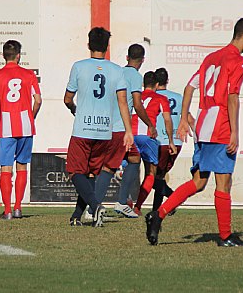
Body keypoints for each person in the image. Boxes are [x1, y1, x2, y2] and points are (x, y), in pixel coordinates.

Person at [145, 16, 243, 247]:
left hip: (203, 125)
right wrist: (235, 132)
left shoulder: (212, 58)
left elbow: (190, 86)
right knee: (224, 182)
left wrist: (184, 118)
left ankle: (158, 215)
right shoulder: (239, 62)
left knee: (199, 181)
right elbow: (232, 97)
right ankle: (225, 236)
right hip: (219, 126)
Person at [64, 27, 134, 227]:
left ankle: (95, 206)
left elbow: (67, 98)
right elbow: (122, 101)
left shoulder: (79, 66)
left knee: (75, 171)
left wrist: (73, 107)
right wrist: (128, 131)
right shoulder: (116, 70)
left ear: (88, 45)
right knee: (91, 173)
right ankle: (76, 217)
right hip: (105, 131)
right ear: (107, 47)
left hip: (83, 129)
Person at [86, 43, 156, 220]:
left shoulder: (115, 71)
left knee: (125, 160)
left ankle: (99, 206)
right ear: (142, 60)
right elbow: (137, 104)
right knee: (113, 166)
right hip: (119, 128)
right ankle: (112, 204)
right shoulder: (135, 76)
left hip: (105, 125)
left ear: (127, 57)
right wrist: (150, 124)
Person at [0, 40, 42, 220]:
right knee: (22, 166)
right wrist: (31, 117)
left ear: (3, 56)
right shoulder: (29, 74)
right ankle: (18, 208)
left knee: (6, 168)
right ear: (19, 55)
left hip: (7, 127)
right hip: (25, 125)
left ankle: (7, 210)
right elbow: (38, 100)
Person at [131, 71, 176, 214]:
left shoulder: (134, 97)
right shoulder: (161, 98)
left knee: (128, 167)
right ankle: (137, 207)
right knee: (151, 173)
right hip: (147, 137)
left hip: (131, 135)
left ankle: (124, 199)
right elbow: (167, 120)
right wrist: (170, 141)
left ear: (143, 84)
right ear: (157, 84)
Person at [152, 67, 190, 212]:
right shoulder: (178, 97)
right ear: (167, 81)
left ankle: (173, 197)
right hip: (177, 141)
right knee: (160, 177)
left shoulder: (153, 97)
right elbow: (188, 117)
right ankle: (159, 209)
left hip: (160, 141)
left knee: (154, 178)